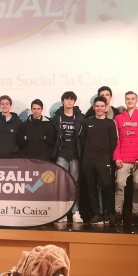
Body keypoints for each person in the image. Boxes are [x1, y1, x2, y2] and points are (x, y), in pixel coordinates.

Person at [113, 91, 138, 226]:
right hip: (122, 159)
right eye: (127, 99)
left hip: (137, 160)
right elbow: (115, 140)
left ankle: (135, 214)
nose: (130, 101)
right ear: (125, 101)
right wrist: (116, 157)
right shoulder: (118, 118)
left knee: (137, 187)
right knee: (119, 185)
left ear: (136, 100)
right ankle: (118, 214)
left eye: (132, 99)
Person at [80, 97, 118, 225]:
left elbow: (114, 142)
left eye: (102, 106)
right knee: (91, 189)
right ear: (93, 107)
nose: (100, 108)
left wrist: (106, 155)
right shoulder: (86, 122)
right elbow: (82, 140)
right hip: (88, 159)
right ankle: (98, 214)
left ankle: (110, 213)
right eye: (97, 106)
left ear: (106, 107)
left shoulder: (110, 123)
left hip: (103, 159)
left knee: (107, 186)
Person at [52, 91, 85, 224]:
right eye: (67, 99)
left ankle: (75, 211)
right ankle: (62, 213)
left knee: (74, 184)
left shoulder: (81, 117)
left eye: (71, 99)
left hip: (75, 155)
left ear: (74, 102)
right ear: (63, 101)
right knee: (61, 184)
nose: (69, 101)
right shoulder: (57, 117)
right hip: (61, 155)